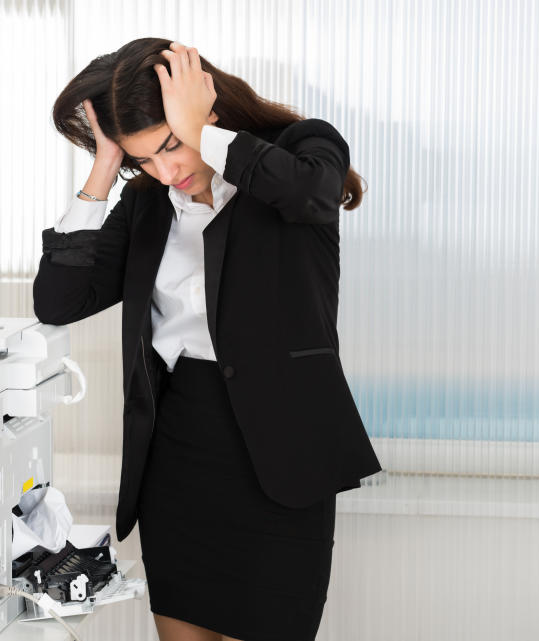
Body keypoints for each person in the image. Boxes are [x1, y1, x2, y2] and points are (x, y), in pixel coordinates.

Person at [33, 37, 382, 641]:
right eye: (147, 159)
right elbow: (59, 302)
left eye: (171, 143)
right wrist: (105, 170)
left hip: (282, 450)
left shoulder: (300, 152)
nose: (169, 170)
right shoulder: (149, 202)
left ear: (208, 109)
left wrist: (205, 135)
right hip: (179, 448)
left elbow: (313, 195)